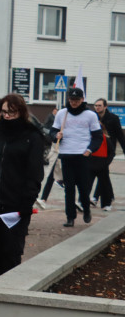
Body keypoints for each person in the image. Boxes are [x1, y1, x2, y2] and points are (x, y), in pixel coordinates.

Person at [0, 94, 45, 278]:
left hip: (16, 205)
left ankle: (7, 294)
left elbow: (34, 173)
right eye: (4, 112)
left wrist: (26, 203)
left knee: (11, 253)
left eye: (12, 112)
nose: (8, 116)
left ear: (20, 111)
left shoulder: (32, 136)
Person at [51, 88, 102, 226]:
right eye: (72, 100)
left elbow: (98, 137)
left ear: (82, 100)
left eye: (77, 100)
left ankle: (86, 210)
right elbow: (53, 131)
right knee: (69, 189)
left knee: (83, 188)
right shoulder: (62, 113)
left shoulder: (90, 115)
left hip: (82, 155)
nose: (74, 103)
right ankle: (70, 217)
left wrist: (90, 150)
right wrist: (56, 136)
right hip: (66, 154)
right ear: (69, 100)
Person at [90, 99, 125, 210]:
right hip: (95, 150)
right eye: (95, 105)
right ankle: (109, 195)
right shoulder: (92, 117)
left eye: (99, 105)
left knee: (103, 171)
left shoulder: (113, 118)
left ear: (105, 106)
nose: (97, 107)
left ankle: (96, 197)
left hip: (109, 150)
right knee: (103, 173)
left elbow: (120, 135)